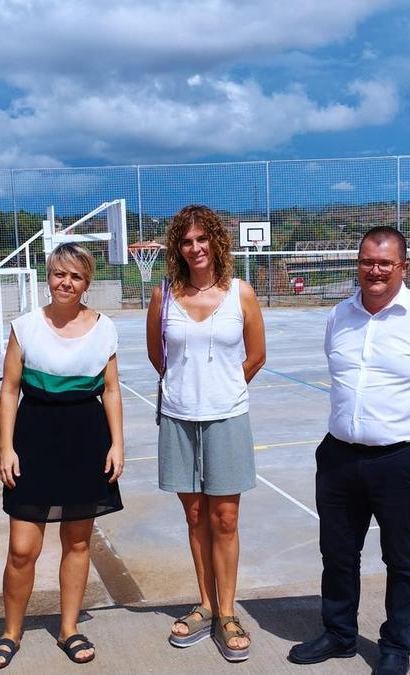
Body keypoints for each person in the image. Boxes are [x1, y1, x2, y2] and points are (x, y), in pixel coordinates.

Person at [288, 226, 410, 675]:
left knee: (402, 559)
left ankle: (395, 646)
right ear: (358, 264)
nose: (375, 270)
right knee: (338, 553)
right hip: (339, 457)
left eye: (385, 262)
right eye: (368, 261)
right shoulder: (339, 317)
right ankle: (339, 634)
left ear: (403, 267)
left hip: (401, 459)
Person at [0, 243, 125, 669]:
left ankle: (69, 628)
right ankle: (10, 633)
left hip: (86, 438)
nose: (66, 282)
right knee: (23, 548)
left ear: (87, 282)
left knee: (78, 541)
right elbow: (9, 390)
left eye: (76, 276)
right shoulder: (25, 327)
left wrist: (118, 443)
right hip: (34, 437)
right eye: (59, 273)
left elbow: (112, 389)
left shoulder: (105, 328)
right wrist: (6, 447)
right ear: (48, 276)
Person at [146, 204, 266, 662]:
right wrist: (188, 388)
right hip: (178, 417)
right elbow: (159, 356)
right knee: (195, 517)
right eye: (186, 241)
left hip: (228, 417)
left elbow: (256, 355)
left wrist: (224, 389)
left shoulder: (241, 293)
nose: (195, 248)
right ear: (178, 247)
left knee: (226, 519)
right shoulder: (164, 295)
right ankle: (205, 603)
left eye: (202, 239)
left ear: (216, 242)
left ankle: (228, 612)